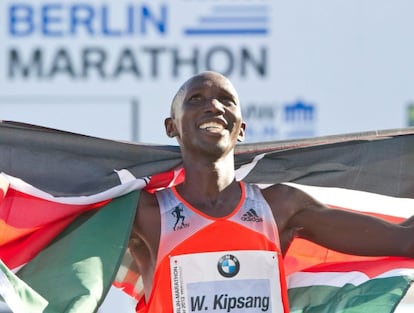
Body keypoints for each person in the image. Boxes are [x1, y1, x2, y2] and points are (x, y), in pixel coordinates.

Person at [128, 71, 414, 313]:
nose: (214, 106)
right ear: (171, 126)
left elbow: (403, 242)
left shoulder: (281, 207)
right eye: (196, 99)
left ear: (241, 128)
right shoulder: (144, 212)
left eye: (227, 100)